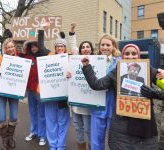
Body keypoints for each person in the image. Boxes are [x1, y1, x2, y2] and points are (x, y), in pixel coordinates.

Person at [81, 43, 162, 150]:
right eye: (127, 53)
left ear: (138, 55)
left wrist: (156, 93)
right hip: (121, 124)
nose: (130, 56)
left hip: (144, 126)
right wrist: (87, 66)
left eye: (134, 53)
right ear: (123, 56)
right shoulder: (116, 71)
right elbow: (97, 84)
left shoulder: (149, 69)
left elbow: (162, 84)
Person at [38, 23, 70, 150]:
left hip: (63, 96)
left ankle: (61, 145)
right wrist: (41, 29)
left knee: (62, 122)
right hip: (50, 95)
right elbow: (40, 46)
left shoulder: (71, 57)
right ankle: (53, 145)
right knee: (51, 122)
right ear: (55, 47)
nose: (60, 48)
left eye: (62, 45)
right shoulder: (49, 56)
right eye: (58, 46)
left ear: (65, 47)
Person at [24, 27, 51, 146]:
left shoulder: (45, 56)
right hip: (30, 90)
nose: (34, 48)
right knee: (33, 112)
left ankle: (42, 135)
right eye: (32, 46)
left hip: (41, 91)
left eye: (36, 46)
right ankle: (33, 131)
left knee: (42, 113)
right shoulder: (26, 57)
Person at [68, 22, 92, 150]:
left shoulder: (96, 61)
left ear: (92, 50)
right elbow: (73, 46)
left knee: (88, 130)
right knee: (78, 129)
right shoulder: (77, 59)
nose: (86, 49)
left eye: (88, 47)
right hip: (76, 104)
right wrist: (72, 31)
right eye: (83, 47)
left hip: (89, 105)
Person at [0, 38, 21, 150]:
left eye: (12, 47)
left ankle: (10, 138)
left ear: (14, 47)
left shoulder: (20, 60)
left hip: (14, 91)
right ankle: (4, 140)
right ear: (5, 49)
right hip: (0, 91)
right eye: (8, 47)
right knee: (1, 118)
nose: (10, 49)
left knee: (14, 116)